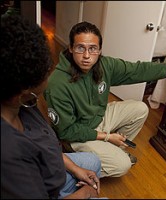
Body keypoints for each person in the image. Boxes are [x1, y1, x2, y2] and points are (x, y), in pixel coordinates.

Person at [44, 21, 166, 178]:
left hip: (98, 118)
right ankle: (76, 165)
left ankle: (107, 150)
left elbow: (138, 70)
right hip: (77, 134)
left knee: (140, 109)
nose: (87, 55)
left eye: (93, 48)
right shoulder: (57, 84)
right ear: (71, 48)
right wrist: (106, 137)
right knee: (122, 165)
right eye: (80, 48)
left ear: (100, 50)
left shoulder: (104, 65)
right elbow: (66, 131)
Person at [1, 15, 102, 199]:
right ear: (25, 89)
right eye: (47, 72)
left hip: (52, 169)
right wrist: (85, 193)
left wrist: (75, 168)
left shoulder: (25, 102)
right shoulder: (10, 158)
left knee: (93, 161)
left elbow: (46, 147)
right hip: (48, 190)